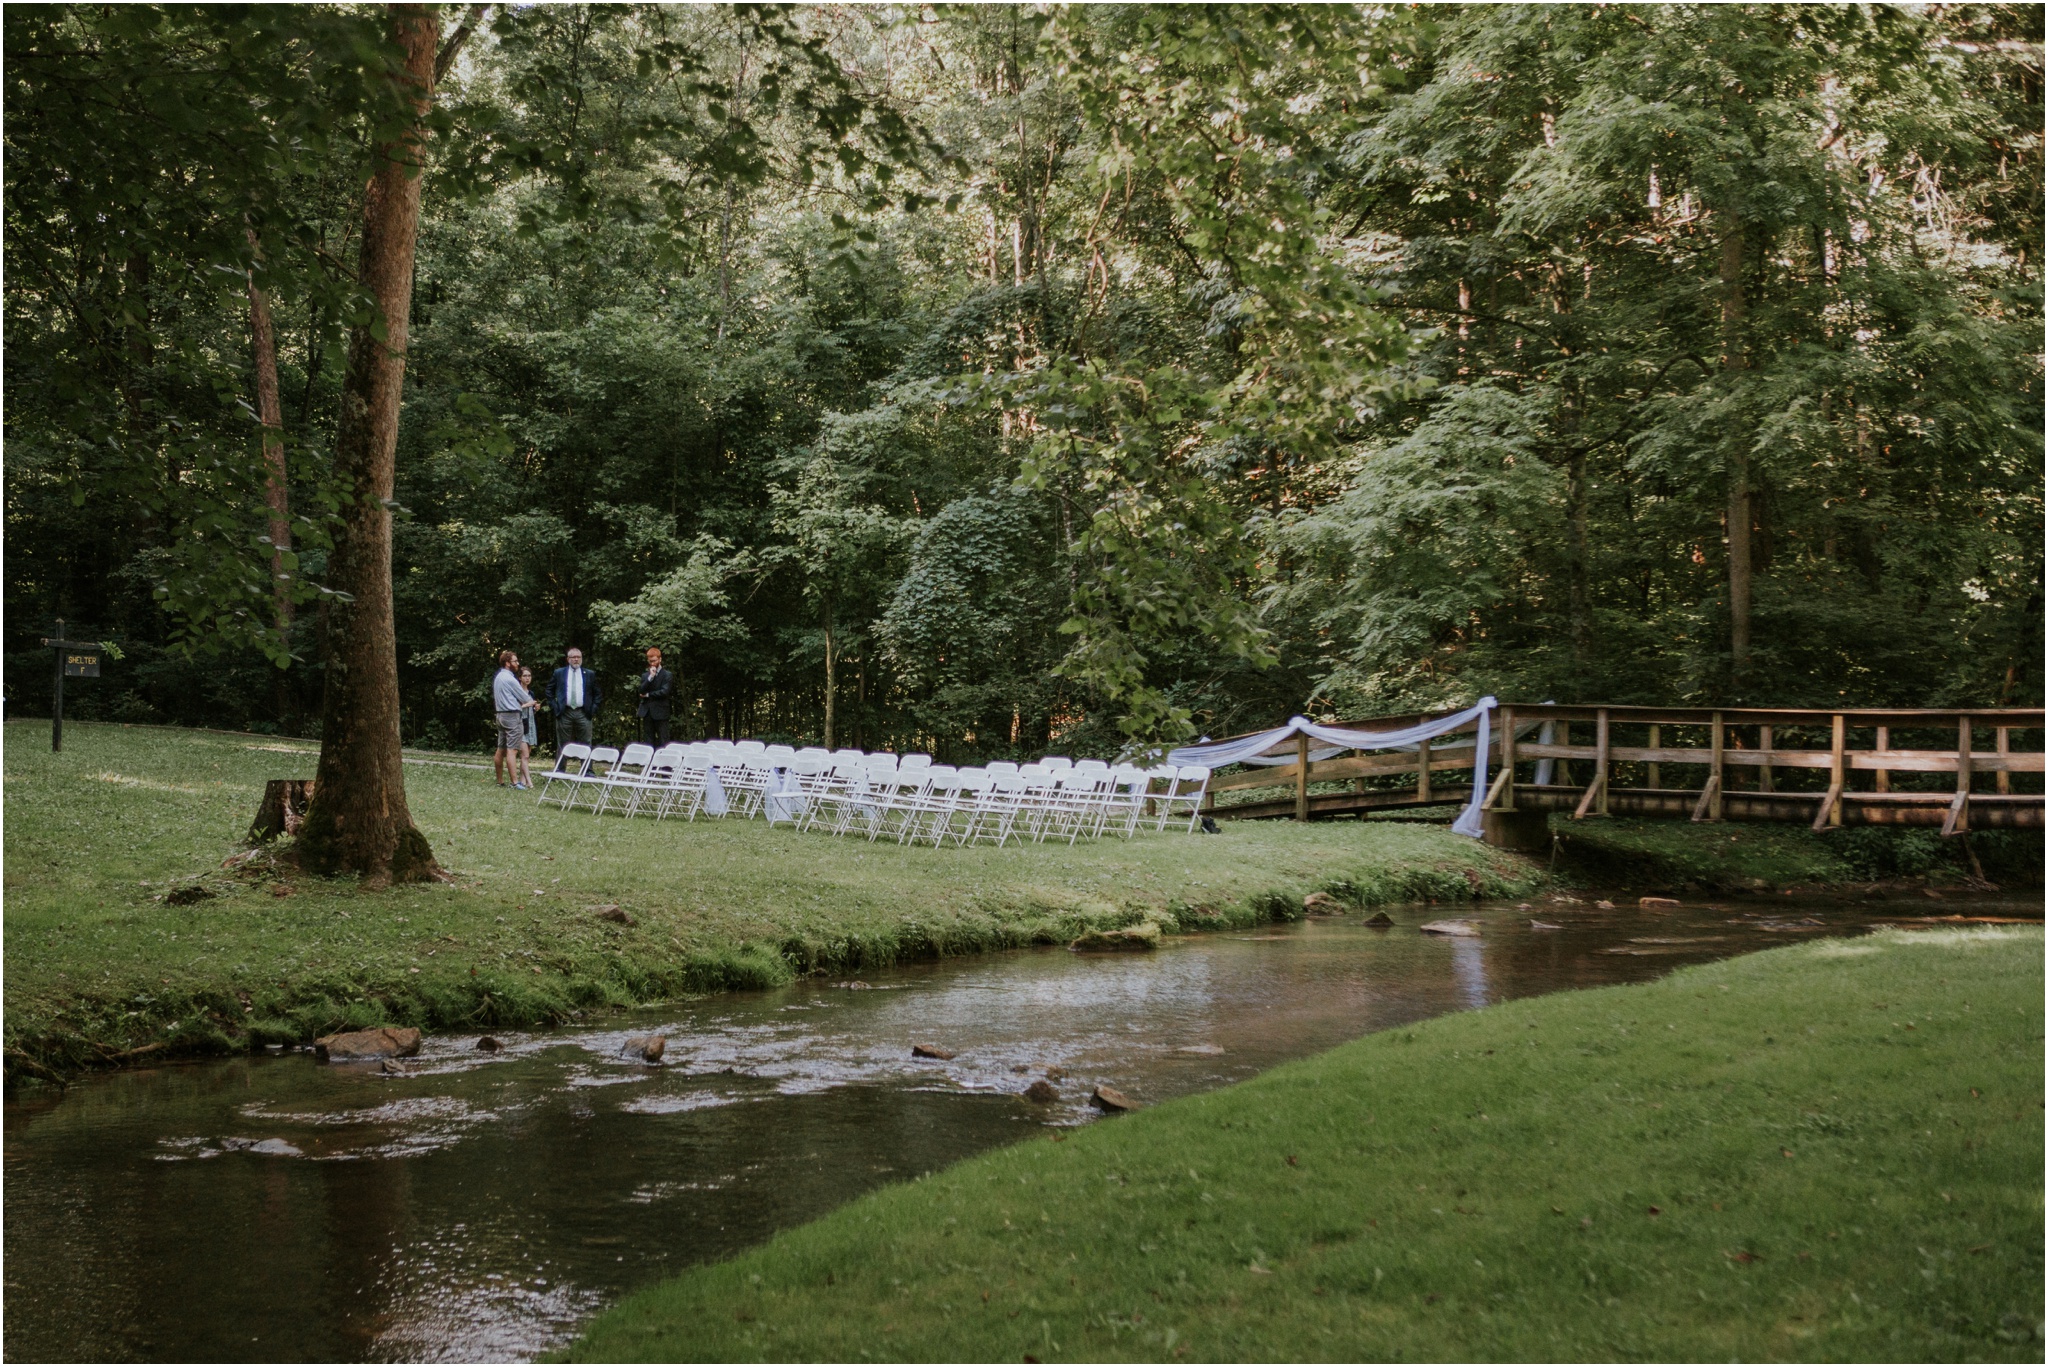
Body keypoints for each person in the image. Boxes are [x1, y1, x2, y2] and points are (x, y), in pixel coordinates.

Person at [491, 650, 537, 789]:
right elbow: (525, 698)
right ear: (507, 663)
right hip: (512, 716)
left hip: (500, 715)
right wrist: (533, 702)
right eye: (515, 661)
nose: (518, 663)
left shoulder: (498, 677)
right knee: (512, 750)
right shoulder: (510, 679)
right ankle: (515, 782)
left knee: (501, 748)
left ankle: (500, 781)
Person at [551, 646, 602, 752]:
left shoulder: (589, 674)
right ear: (568, 659)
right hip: (564, 712)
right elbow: (549, 691)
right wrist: (556, 708)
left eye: (578, 657)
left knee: (586, 743)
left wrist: (593, 709)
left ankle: (587, 768)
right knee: (562, 744)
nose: (576, 659)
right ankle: (560, 769)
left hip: (583, 712)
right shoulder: (559, 673)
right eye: (573, 657)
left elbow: (597, 693)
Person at [636, 646, 674, 746]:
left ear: (660, 659)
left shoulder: (667, 675)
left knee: (663, 738)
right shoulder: (645, 675)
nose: (652, 663)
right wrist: (650, 678)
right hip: (647, 712)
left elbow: (664, 692)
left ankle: (664, 760)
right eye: (650, 661)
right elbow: (641, 691)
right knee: (648, 739)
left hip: (661, 711)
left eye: (654, 661)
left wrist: (649, 695)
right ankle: (649, 760)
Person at [517, 666, 540, 784]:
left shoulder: (531, 692)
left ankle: (522, 781)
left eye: (529, 676)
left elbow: (531, 709)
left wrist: (535, 707)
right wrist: (527, 704)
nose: (527, 678)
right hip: (520, 724)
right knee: (524, 755)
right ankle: (529, 782)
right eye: (525, 676)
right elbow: (514, 708)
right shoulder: (516, 691)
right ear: (520, 678)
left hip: (530, 724)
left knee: (526, 756)